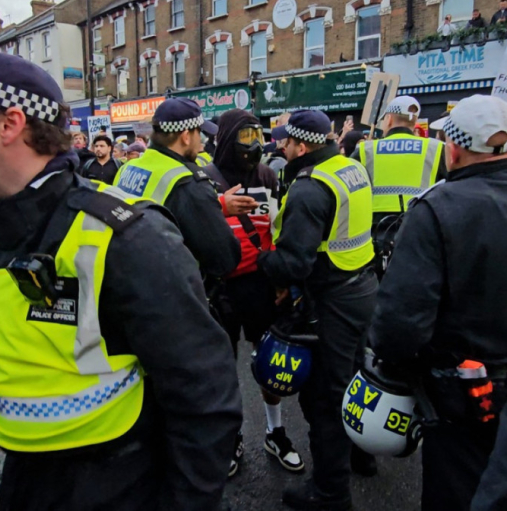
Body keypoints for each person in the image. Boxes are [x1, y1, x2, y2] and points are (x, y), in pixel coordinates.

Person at [0, 51, 242, 511]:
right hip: (24, 472)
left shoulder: (127, 236)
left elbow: (206, 396)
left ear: (9, 124)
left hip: (112, 483)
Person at [370, 95, 507, 511]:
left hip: (463, 390)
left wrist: (391, 362)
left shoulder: (438, 208)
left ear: (455, 148)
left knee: (457, 488)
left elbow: (400, 322)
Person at [257, 110, 378, 511]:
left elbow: (294, 263)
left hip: (331, 302)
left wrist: (260, 261)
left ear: (302, 146)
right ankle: (362, 456)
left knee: (326, 400)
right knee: (355, 379)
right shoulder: (349, 166)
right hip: (362, 288)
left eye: (286, 143)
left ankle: (330, 493)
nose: (281, 147)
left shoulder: (310, 189)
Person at [205, 109, 303, 478]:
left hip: (261, 284)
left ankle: (275, 431)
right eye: (245, 135)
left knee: (272, 364)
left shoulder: (268, 176)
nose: (254, 143)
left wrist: (282, 279)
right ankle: (231, 437)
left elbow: (278, 231)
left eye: (257, 134)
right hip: (221, 288)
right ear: (228, 137)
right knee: (223, 369)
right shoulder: (205, 179)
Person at [114, 97, 240, 279]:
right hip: (168, 290)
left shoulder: (127, 168)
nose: (201, 142)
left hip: (126, 280)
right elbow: (224, 257)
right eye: (200, 134)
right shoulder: (187, 182)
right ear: (186, 136)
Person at [353, 95, 446, 224]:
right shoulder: (436, 148)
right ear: (415, 122)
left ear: (389, 119)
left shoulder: (366, 150)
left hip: (376, 227)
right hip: (422, 223)